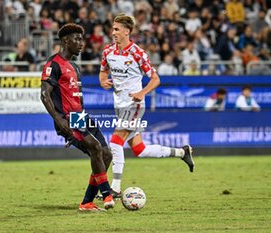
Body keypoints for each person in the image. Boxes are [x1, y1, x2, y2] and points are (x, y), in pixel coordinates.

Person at [99, 13, 195, 196]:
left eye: (117, 29)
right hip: (119, 106)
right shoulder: (108, 52)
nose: (113, 32)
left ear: (127, 31)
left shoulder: (138, 53)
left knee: (115, 142)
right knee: (139, 150)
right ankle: (182, 153)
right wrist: (103, 81)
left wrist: (141, 93)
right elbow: (102, 73)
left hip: (134, 106)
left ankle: (115, 189)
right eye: (112, 29)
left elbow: (155, 79)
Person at [40, 23, 115, 211]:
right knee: (95, 148)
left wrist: (72, 134)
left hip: (80, 116)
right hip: (67, 118)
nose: (81, 43)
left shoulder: (74, 66)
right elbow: (44, 95)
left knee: (106, 154)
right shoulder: (53, 64)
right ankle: (106, 194)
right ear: (65, 41)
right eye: (77, 39)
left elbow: (76, 100)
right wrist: (61, 123)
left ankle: (87, 202)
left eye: (82, 39)